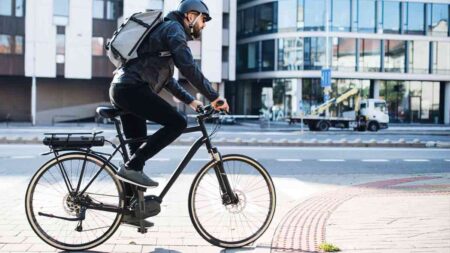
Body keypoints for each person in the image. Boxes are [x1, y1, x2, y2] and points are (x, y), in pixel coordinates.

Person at [109, 0, 229, 224]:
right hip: (131, 89)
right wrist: (214, 96)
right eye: (203, 20)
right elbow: (188, 66)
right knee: (177, 123)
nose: (203, 26)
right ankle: (132, 168)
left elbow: (166, 79)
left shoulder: (164, 31)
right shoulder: (174, 29)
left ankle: (130, 211)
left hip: (125, 88)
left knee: (136, 155)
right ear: (191, 15)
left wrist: (193, 101)